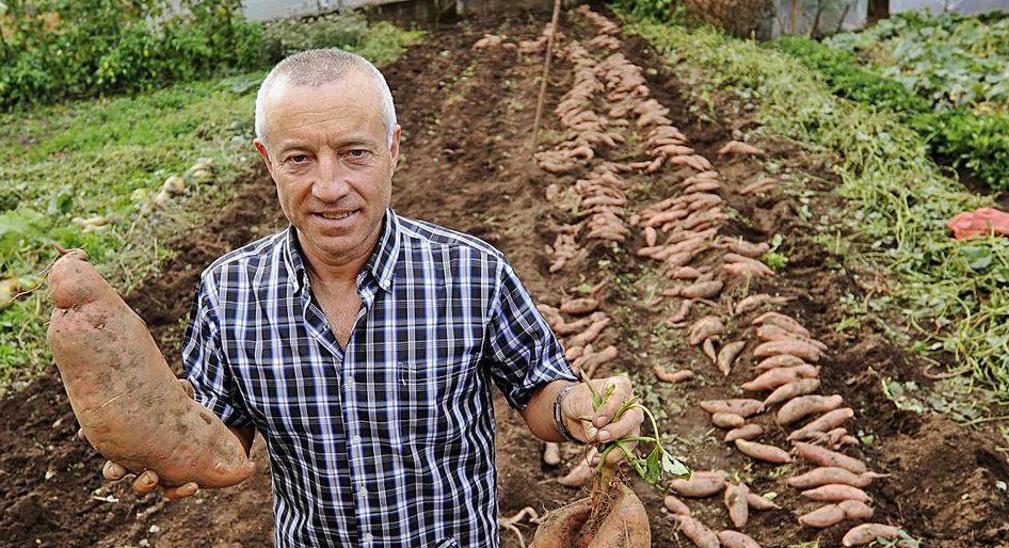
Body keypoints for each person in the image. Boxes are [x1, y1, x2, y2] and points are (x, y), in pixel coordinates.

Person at [98, 48, 644, 547]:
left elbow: (537, 393)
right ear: (269, 162)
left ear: (393, 150)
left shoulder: (472, 272)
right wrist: (165, 449)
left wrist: (575, 406)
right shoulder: (229, 292)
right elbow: (225, 434)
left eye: (354, 153)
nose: (329, 186)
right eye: (299, 159)